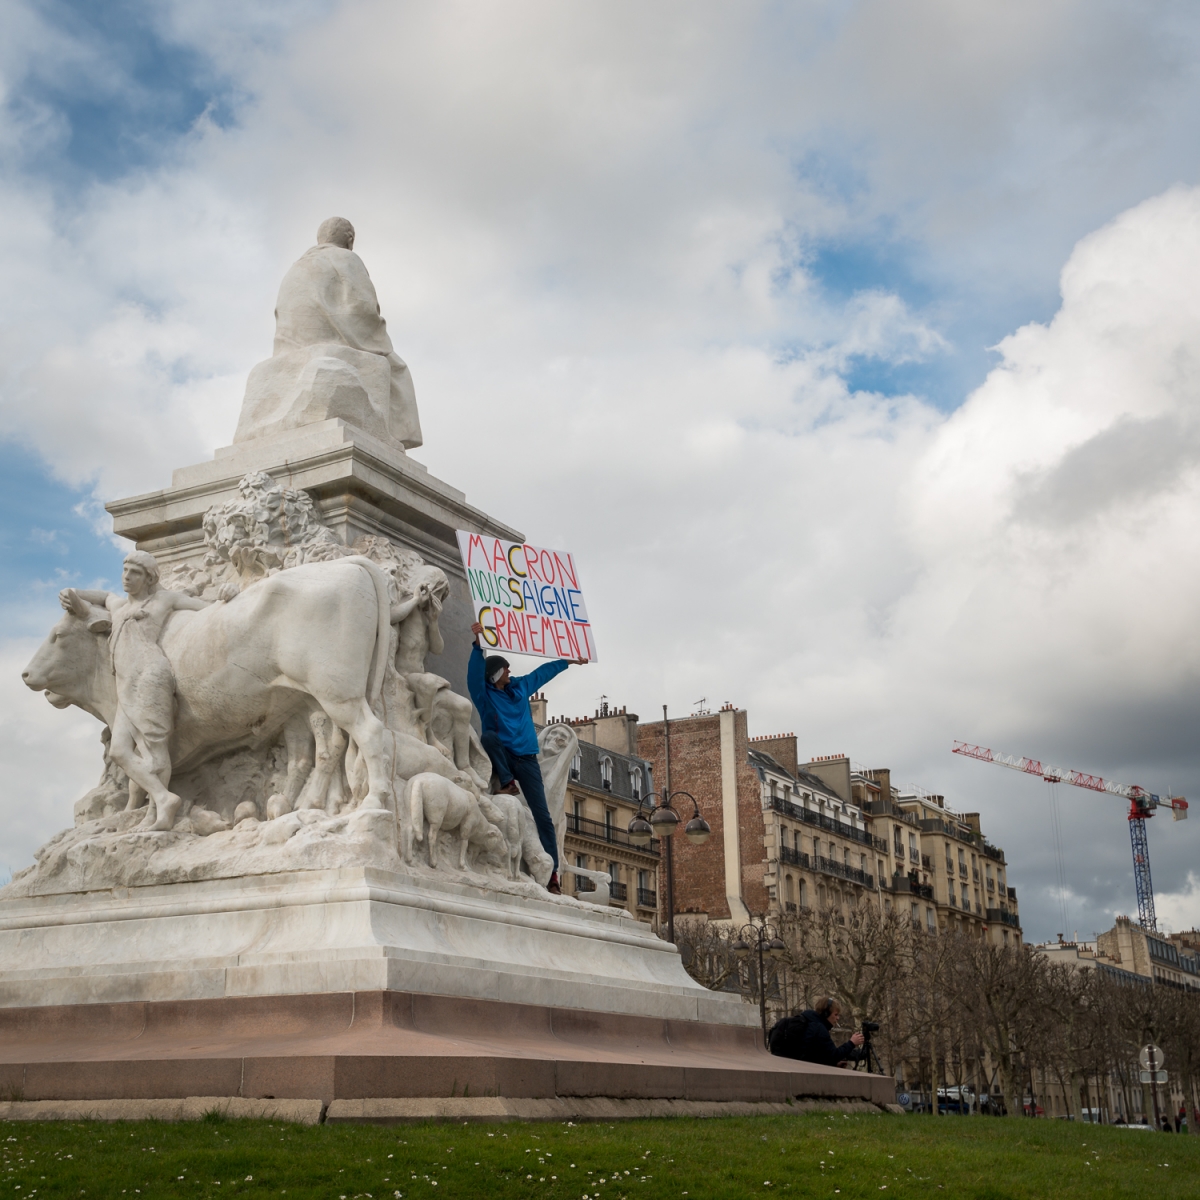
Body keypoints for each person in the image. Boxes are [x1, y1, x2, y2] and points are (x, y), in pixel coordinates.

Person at [61, 551, 212, 831]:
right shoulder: (118, 607)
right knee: (119, 751)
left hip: (149, 675)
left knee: (153, 747)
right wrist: (72, 592)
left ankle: (158, 813)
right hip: (125, 683)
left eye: (135, 572)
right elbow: (103, 595)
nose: (127, 577)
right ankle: (163, 798)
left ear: (150, 578)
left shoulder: (163, 599)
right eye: (125, 570)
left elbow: (205, 607)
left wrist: (228, 595)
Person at [467, 624, 587, 894]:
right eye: (506, 669)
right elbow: (474, 678)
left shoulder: (519, 688)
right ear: (496, 673)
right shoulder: (485, 697)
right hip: (505, 757)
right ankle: (507, 782)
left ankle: (553, 873)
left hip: (528, 759)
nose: (510, 672)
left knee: (543, 816)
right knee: (488, 737)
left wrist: (567, 661)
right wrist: (477, 646)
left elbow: (541, 674)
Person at [767, 997, 865, 1067]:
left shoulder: (808, 1021)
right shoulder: (818, 1028)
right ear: (826, 1013)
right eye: (836, 1014)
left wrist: (833, 1063)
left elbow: (815, 1055)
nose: (837, 1018)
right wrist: (852, 1043)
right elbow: (834, 1055)